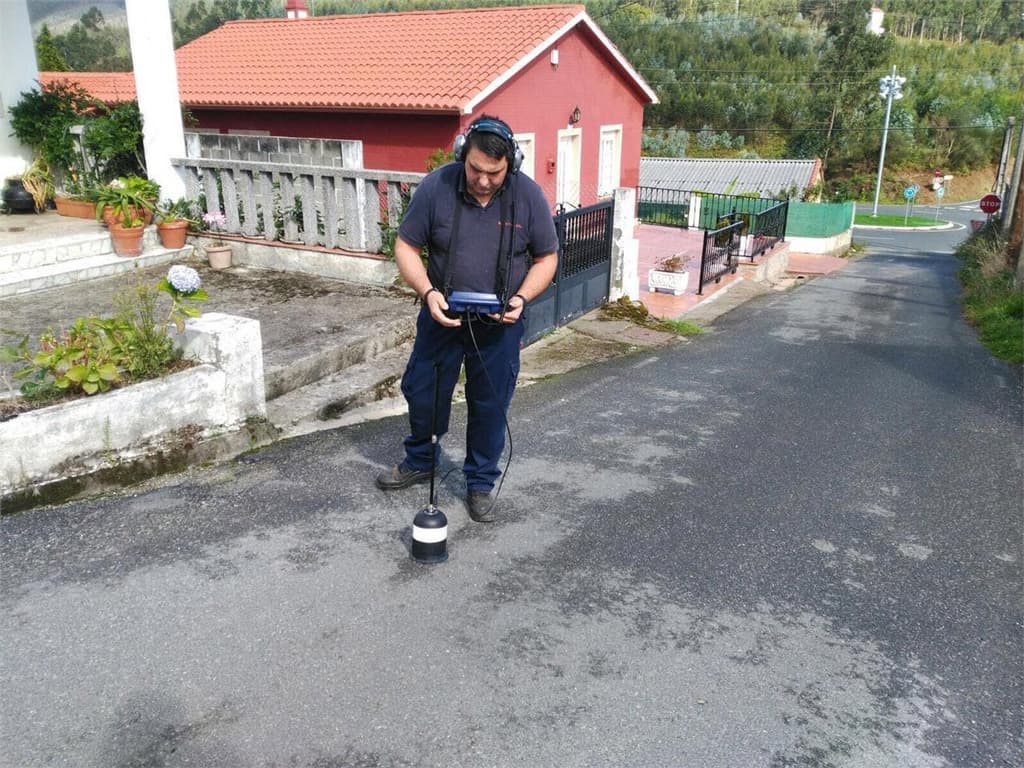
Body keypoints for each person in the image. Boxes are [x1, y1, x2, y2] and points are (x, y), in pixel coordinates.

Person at [375, 115, 559, 523]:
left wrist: (522, 297)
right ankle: (422, 458)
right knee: (422, 392)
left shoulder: (528, 196)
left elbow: (547, 258)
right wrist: (428, 292)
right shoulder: (436, 187)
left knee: (490, 405)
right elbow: (406, 247)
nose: (482, 180)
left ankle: (479, 483)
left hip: (500, 326)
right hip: (441, 317)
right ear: (463, 155)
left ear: (511, 163)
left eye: (494, 173)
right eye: (475, 169)